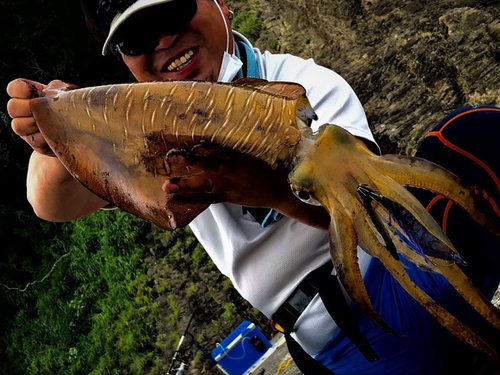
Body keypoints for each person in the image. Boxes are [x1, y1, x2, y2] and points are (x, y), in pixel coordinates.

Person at [6, 0, 500, 373]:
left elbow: (373, 209)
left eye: (173, 11)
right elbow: (50, 201)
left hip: (395, 283)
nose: (162, 42)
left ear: (220, 2)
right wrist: (56, 135)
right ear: (122, 58)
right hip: (326, 345)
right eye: (135, 39)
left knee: (470, 135)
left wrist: (271, 193)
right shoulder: (146, 131)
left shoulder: (301, 82)